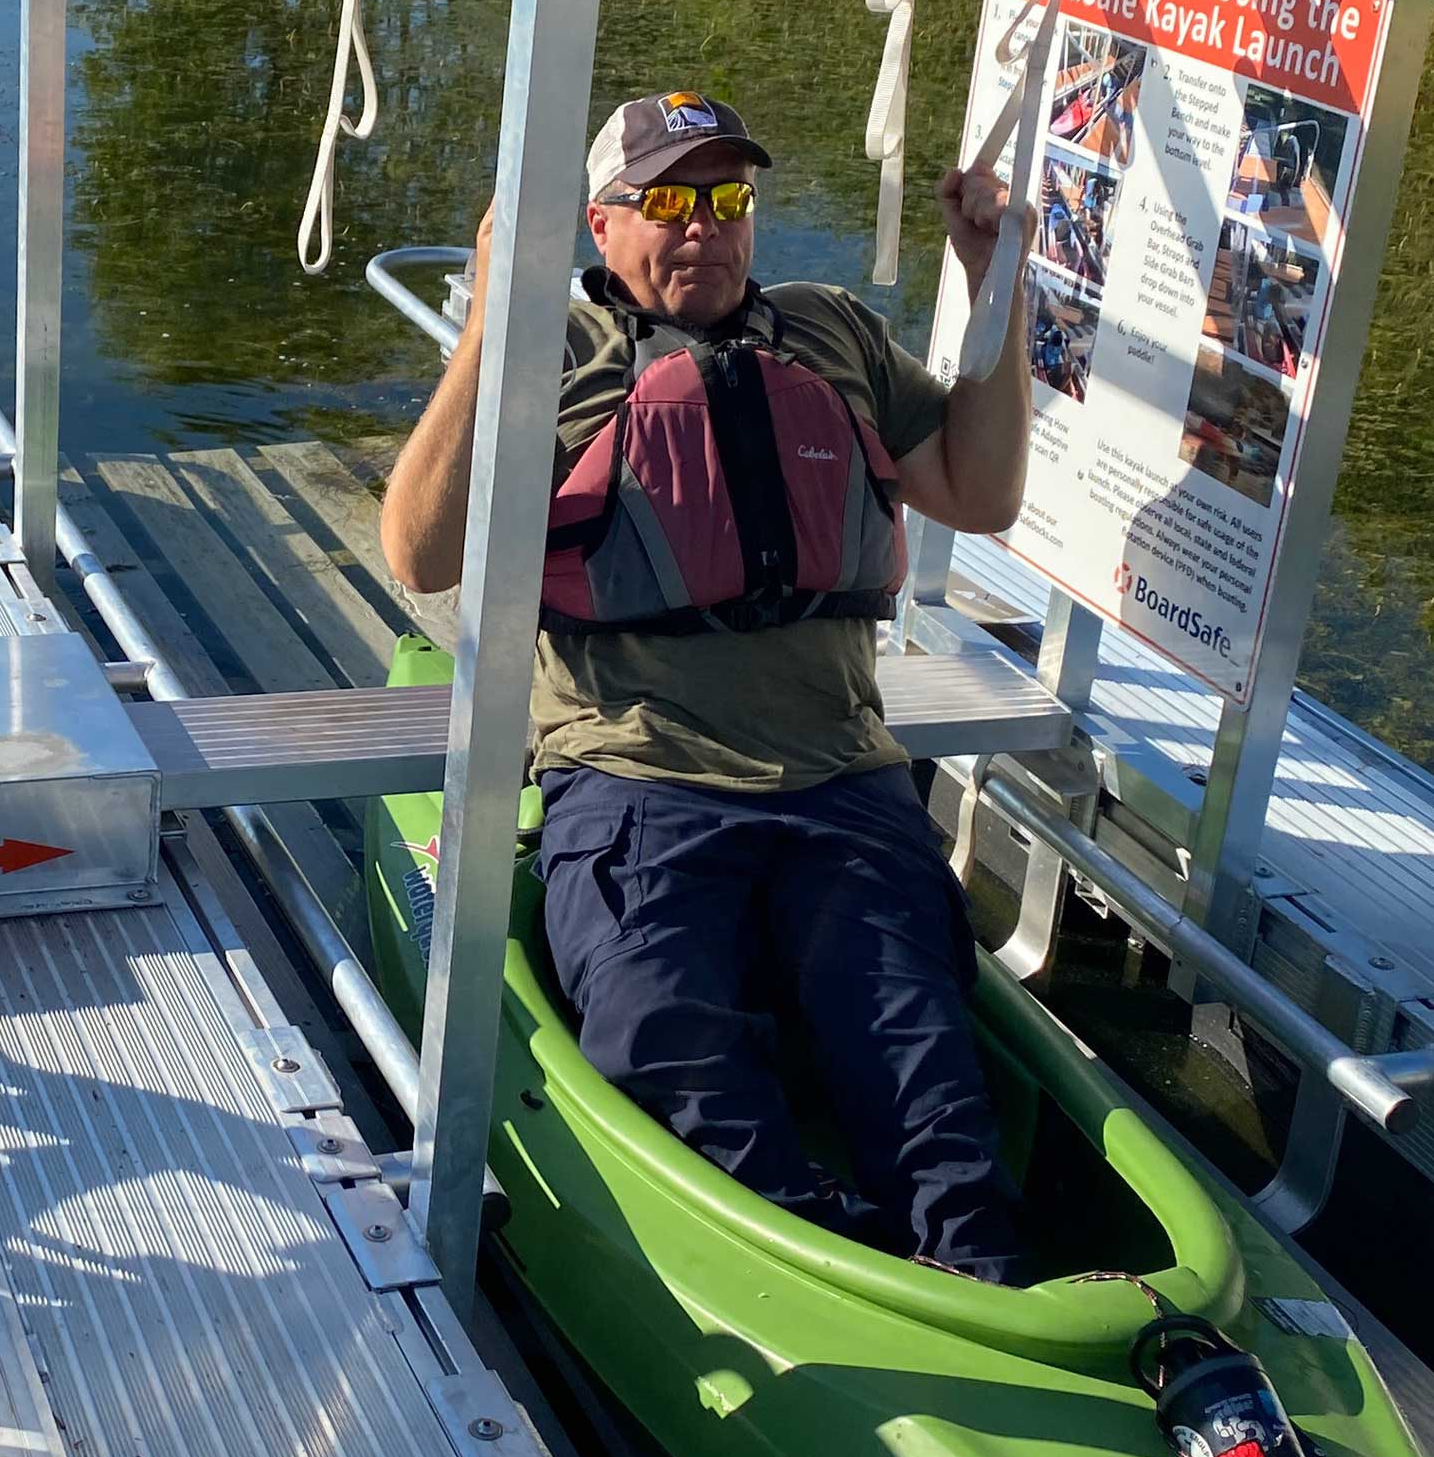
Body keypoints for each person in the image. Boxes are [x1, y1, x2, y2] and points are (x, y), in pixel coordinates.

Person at [377, 89, 1036, 1282]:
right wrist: (493, 315)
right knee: (668, 1057)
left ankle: (978, 1287)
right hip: (636, 784)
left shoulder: (830, 330)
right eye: (668, 200)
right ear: (597, 224)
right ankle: (810, 1271)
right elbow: (420, 553)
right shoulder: (555, 356)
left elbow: (977, 494)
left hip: (842, 782)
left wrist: (996, 283)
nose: (703, 228)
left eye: (726, 200)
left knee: (924, 1068)